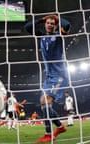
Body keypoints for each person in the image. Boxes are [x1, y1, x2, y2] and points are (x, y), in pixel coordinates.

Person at [24, 14, 71, 143]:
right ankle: (60, 127)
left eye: (52, 23)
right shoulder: (42, 36)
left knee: (45, 101)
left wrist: (56, 17)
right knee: (44, 104)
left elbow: (67, 25)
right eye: (48, 23)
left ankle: (48, 134)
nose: (50, 25)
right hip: (49, 76)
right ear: (45, 25)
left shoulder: (59, 36)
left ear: (55, 26)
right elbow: (27, 27)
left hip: (59, 75)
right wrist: (41, 19)